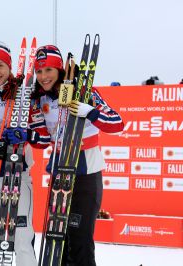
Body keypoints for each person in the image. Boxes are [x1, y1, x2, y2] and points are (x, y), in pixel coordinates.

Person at [31, 45, 124, 266]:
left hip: (86, 171)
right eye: (39, 71)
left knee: (80, 235)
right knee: (57, 236)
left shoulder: (85, 91)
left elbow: (117, 123)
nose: (43, 77)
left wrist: (90, 111)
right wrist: (25, 133)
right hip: (60, 170)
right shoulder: (41, 99)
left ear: (60, 70)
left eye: (48, 70)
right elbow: (43, 140)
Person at [0, 41, 50, 265]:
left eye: (0, 66)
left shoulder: (25, 93)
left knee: (23, 235)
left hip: (17, 170)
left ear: (9, 66)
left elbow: (43, 138)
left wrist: (27, 135)